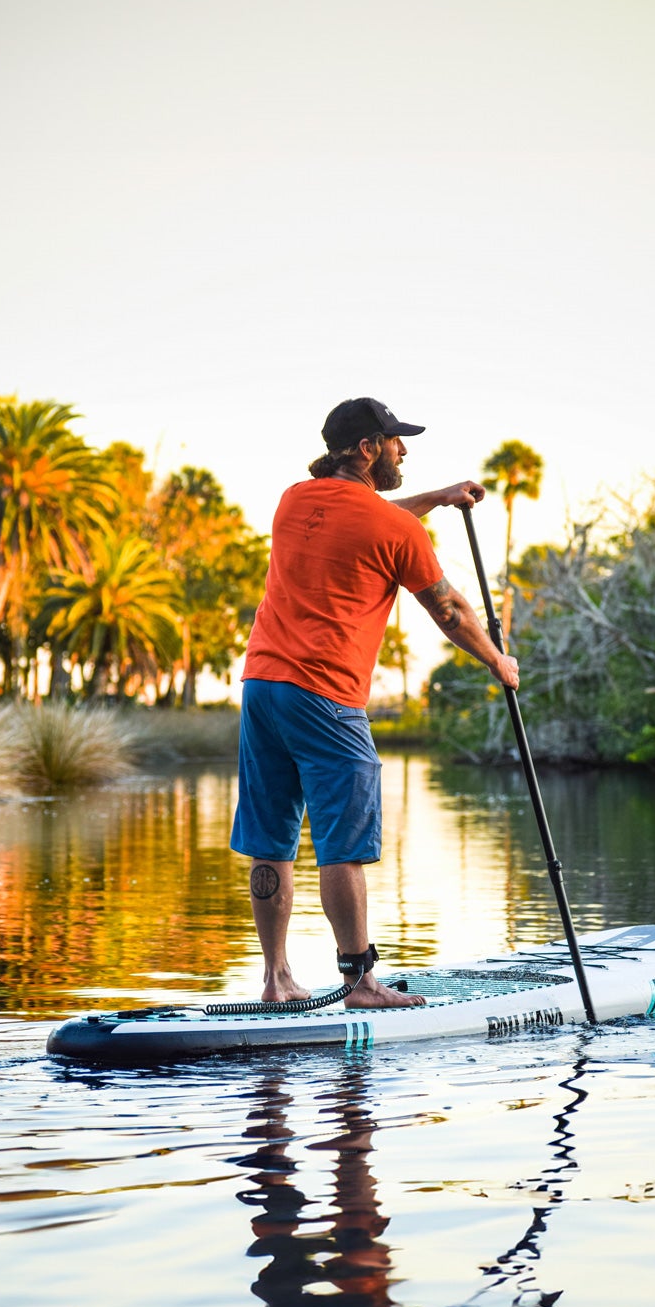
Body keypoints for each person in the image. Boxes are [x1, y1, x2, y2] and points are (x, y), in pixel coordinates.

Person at [230, 396, 520, 1008]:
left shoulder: (293, 502)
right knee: (344, 843)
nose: (403, 450)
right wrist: (498, 662)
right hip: (328, 699)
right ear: (366, 449)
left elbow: (367, 515)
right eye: (394, 441)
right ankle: (360, 982)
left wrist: (437, 498)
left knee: (271, 837)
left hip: (262, 687)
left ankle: (276, 978)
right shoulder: (395, 529)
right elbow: (447, 609)